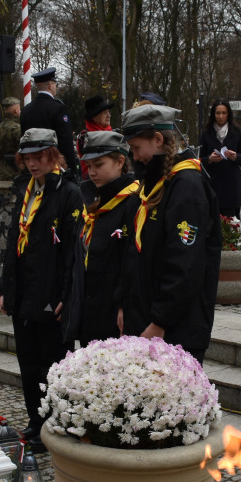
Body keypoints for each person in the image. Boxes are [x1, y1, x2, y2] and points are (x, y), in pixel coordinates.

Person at [0, 128, 83, 451]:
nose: (32, 165)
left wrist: (65, 295)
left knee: (53, 366)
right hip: (24, 294)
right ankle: (36, 421)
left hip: (50, 295)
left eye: (38, 158)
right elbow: (12, 241)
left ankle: (55, 423)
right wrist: (6, 287)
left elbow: (72, 251)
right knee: (28, 363)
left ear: (52, 155)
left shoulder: (69, 193)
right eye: (27, 158)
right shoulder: (26, 190)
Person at [119, 104, 222, 363]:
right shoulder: (154, 183)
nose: (134, 156)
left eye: (136, 148)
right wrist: (125, 307)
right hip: (146, 321)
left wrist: (160, 322)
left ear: (158, 140)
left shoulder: (186, 187)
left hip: (173, 330)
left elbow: (185, 264)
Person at [65, 130, 139, 345]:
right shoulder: (94, 200)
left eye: (99, 165)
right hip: (90, 308)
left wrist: (124, 304)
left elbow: (131, 262)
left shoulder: (132, 201)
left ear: (120, 162)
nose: (92, 172)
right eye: (89, 166)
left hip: (114, 312)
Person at [19, 67, 80, 179]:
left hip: (32, 166)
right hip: (53, 166)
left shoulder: (26, 110)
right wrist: (71, 169)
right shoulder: (58, 108)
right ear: (50, 85)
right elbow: (65, 142)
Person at [198, 100, 241, 218]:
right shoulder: (206, 133)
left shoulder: (237, 132)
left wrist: (235, 156)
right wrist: (210, 159)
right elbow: (199, 159)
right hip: (213, 182)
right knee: (212, 219)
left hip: (231, 183)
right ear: (213, 114)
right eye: (218, 113)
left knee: (230, 220)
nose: (221, 116)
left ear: (228, 114)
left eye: (224, 113)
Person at [76, 95, 114, 180]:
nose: (109, 115)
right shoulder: (84, 137)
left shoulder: (112, 133)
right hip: (92, 181)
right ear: (93, 116)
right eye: (104, 112)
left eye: (108, 112)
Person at [0, 97, 22, 181]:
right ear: (15, 111)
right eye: (19, 109)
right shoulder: (18, 129)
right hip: (16, 171)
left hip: (0, 170)